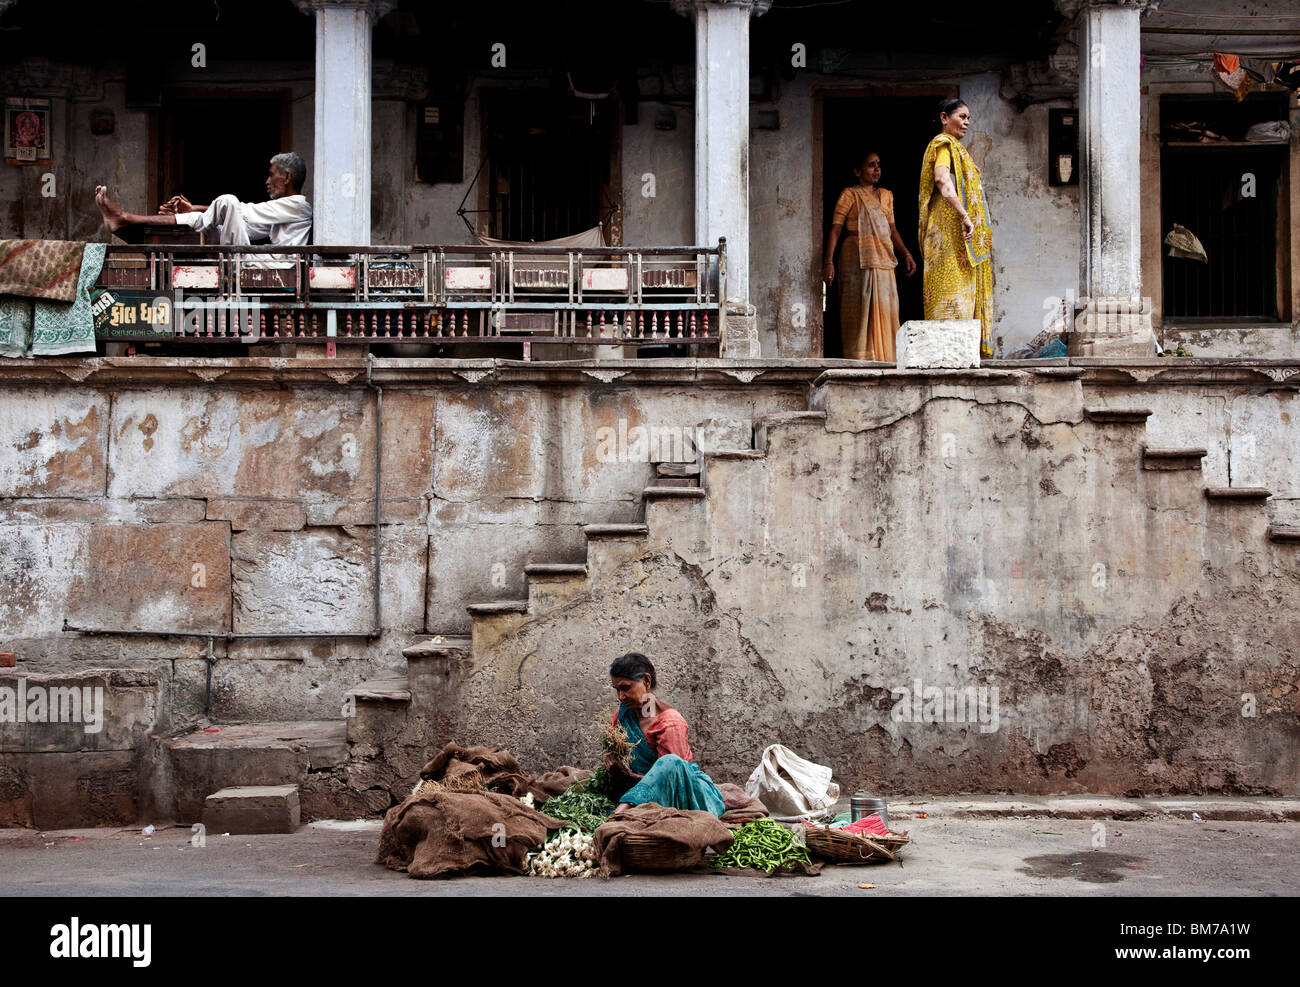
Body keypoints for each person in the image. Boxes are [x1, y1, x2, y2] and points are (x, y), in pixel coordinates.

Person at [93, 152, 312, 247]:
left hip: (274, 267)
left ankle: (126, 218)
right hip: (258, 261)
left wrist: (194, 209)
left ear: (287, 177)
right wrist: (196, 213)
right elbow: (247, 226)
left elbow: (242, 211)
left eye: (272, 174)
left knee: (227, 201)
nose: (267, 180)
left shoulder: (299, 206)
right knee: (212, 219)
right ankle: (125, 219)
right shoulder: (282, 211)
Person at [822, 151, 916, 362]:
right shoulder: (849, 195)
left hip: (883, 258)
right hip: (855, 258)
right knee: (860, 309)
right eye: (871, 165)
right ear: (857, 171)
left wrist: (906, 253)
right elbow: (836, 229)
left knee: (886, 306)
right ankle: (861, 358)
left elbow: (892, 229)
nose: (876, 169)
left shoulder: (886, 195)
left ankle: (886, 358)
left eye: (879, 165)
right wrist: (828, 261)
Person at [918, 99, 995, 357]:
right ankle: (944, 355)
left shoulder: (957, 149)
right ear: (944, 117)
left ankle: (957, 355)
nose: (967, 122)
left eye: (969, 118)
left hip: (959, 239)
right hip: (948, 232)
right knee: (949, 291)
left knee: (960, 291)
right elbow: (942, 179)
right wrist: (964, 214)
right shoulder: (944, 145)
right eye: (961, 116)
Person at [606, 652, 725, 816]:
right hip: (638, 792)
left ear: (646, 681)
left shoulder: (670, 723)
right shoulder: (624, 715)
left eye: (626, 688)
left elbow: (674, 781)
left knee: (670, 761)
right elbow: (615, 755)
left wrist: (630, 777)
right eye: (617, 690)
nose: (621, 696)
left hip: (687, 796)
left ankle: (616, 817)